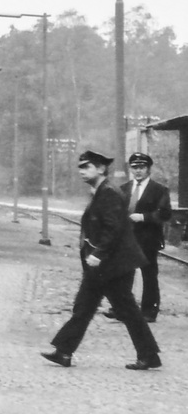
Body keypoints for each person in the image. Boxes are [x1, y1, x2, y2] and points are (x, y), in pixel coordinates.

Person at [42, 149, 161, 370]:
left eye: (86, 167)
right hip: (106, 264)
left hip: (113, 264)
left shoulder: (109, 193)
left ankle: (149, 355)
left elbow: (113, 228)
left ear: (101, 168)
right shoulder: (100, 192)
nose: (82, 171)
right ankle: (64, 352)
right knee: (84, 307)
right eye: (80, 167)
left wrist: (98, 254)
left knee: (125, 310)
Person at [121, 152, 173, 320]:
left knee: (149, 275)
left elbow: (164, 214)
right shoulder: (124, 189)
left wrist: (144, 217)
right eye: (134, 168)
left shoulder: (159, 190)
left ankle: (149, 311)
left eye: (142, 167)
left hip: (148, 239)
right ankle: (122, 309)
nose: (138, 171)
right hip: (127, 239)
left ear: (148, 169)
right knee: (123, 273)